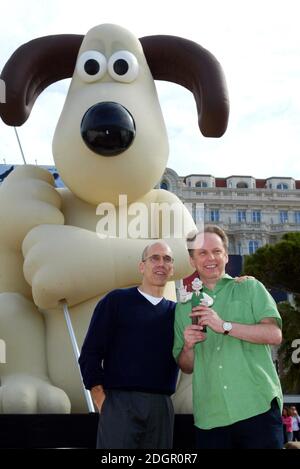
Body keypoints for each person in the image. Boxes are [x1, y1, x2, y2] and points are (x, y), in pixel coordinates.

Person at [173, 225, 284, 449]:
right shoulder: (184, 307)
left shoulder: (250, 287)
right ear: (193, 261)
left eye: (216, 251)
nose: (210, 258)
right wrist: (188, 347)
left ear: (226, 255)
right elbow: (186, 366)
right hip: (210, 418)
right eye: (202, 253)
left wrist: (223, 325)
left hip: (257, 406)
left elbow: (274, 334)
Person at [79, 241, 178, 449]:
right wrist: (101, 400)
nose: (161, 263)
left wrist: (238, 281)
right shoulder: (116, 301)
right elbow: (90, 352)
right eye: (155, 258)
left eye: (167, 259)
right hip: (119, 403)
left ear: (172, 269)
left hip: (161, 406)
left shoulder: (177, 312)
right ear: (142, 266)